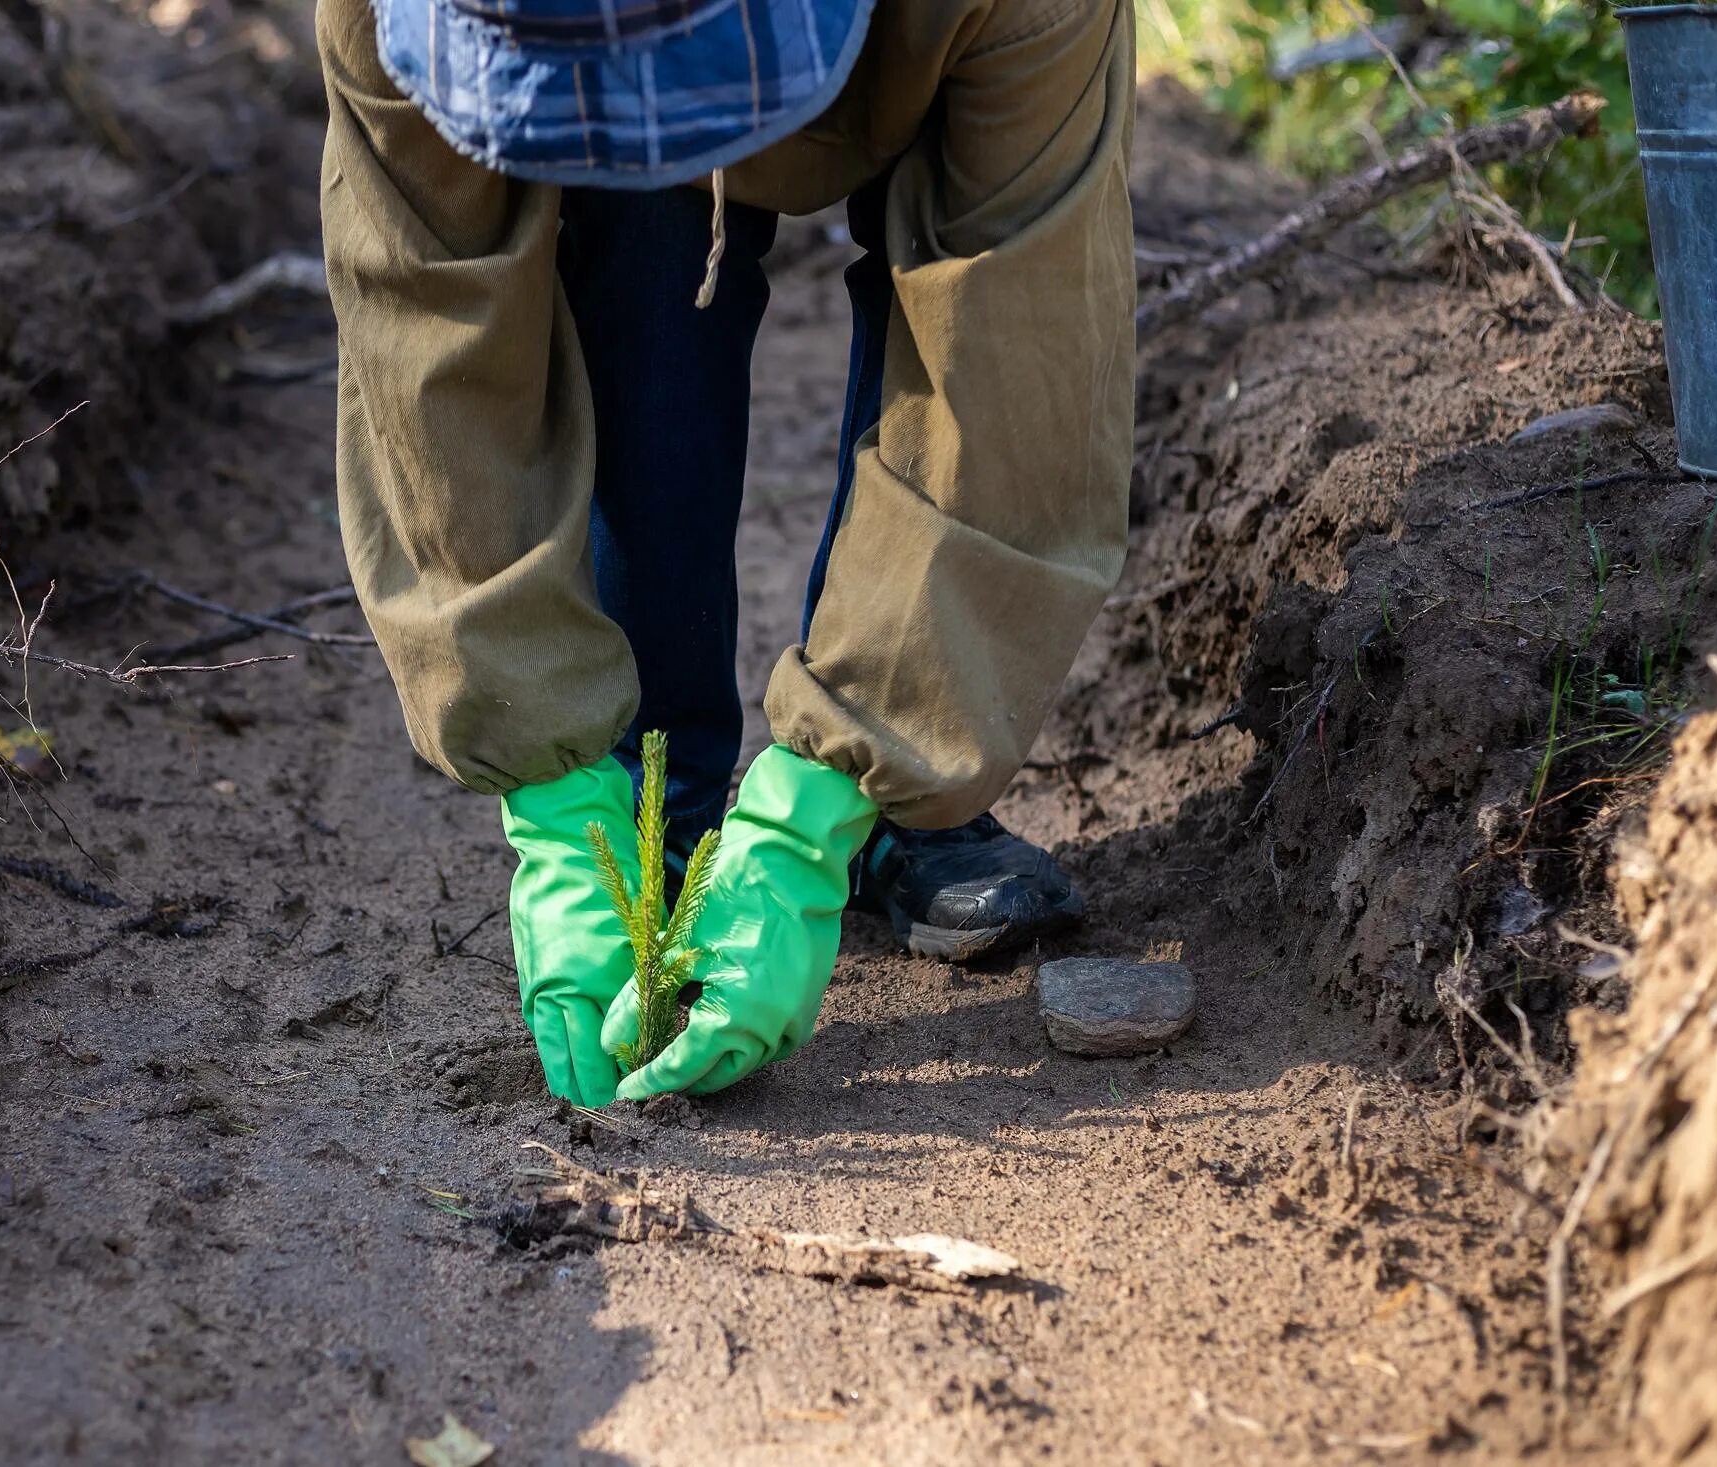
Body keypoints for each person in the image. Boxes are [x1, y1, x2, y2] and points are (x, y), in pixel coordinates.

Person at [316, 0, 1136, 1104]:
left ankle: (881, 814)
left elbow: (1012, 368)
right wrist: (546, 771)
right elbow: (425, 327)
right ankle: (660, 819)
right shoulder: (394, 17)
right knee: (641, 261)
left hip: (913, 42)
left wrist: (837, 775)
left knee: (965, 317)